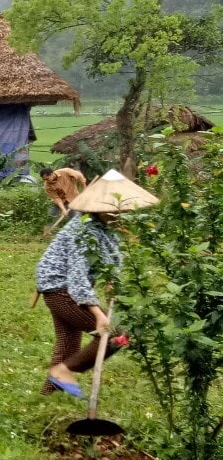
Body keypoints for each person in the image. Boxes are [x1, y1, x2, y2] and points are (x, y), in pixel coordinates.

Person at [35, 169, 159, 398]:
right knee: (116, 336)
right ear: (99, 209)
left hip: (61, 288)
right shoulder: (84, 229)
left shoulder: (108, 229)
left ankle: (45, 398)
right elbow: (77, 276)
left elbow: (113, 258)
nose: (120, 214)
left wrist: (113, 280)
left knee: (68, 345)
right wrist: (98, 314)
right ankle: (63, 372)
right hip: (60, 289)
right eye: (114, 210)